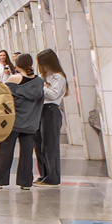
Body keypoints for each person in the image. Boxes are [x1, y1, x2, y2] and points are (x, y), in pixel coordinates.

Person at [0, 52, 44, 191]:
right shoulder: (39, 81)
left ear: (17, 64)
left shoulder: (13, 79)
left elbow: (3, 96)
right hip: (31, 123)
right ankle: (25, 182)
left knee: (6, 151)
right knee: (27, 154)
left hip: (13, 121)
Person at [34, 48, 68, 186]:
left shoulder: (58, 77)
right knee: (40, 145)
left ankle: (52, 177)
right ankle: (44, 174)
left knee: (50, 145)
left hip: (51, 111)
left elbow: (53, 95)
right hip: (40, 110)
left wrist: (40, 86)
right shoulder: (43, 76)